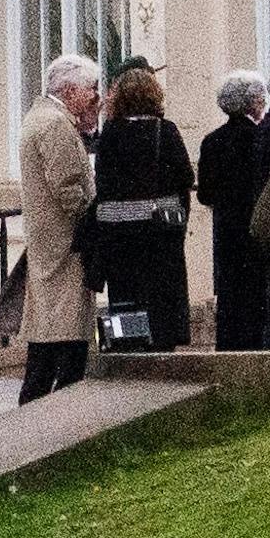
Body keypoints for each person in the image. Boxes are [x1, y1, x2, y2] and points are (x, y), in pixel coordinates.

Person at [87, 59, 195, 349]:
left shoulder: (110, 132)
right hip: (160, 229)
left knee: (125, 292)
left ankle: (127, 348)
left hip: (118, 231)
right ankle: (162, 343)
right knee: (161, 291)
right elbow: (186, 176)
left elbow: (103, 179)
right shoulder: (166, 130)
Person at [14, 50, 102, 403]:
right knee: (64, 342)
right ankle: (53, 416)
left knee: (48, 341)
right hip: (65, 246)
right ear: (69, 89)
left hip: (51, 245)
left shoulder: (42, 118)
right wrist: (90, 218)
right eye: (91, 88)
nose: (96, 96)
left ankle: (37, 407)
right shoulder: (55, 124)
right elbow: (67, 185)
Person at [195, 67, 270, 355]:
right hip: (256, 229)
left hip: (226, 231)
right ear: (255, 102)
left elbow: (205, 193)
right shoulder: (262, 138)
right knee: (257, 301)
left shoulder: (212, 141)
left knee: (230, 300)